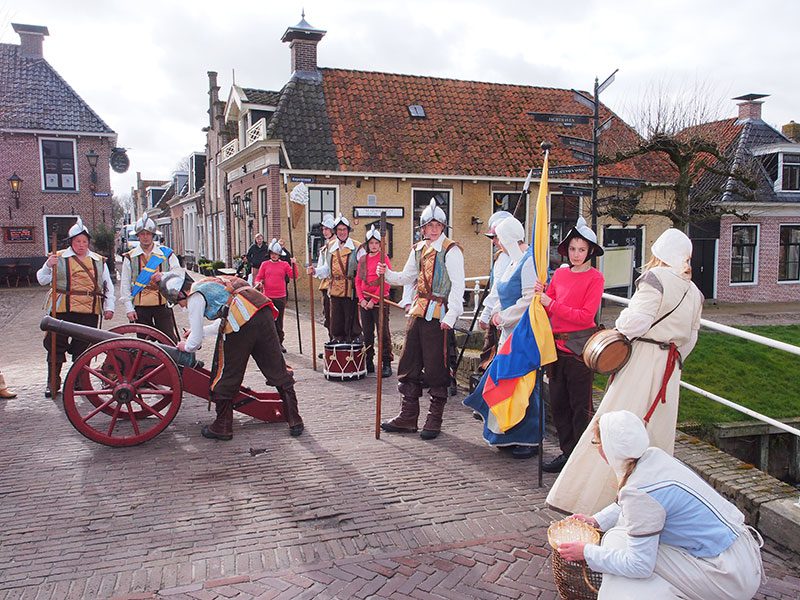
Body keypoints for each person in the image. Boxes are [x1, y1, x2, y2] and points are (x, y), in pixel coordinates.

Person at [547, 228, 704, 515]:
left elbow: (634, 322)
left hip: (643, 361)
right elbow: (690, 339)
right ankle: (649, 502)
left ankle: (592, 498)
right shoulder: (694, 292)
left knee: (616, 425)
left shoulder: (655, 279)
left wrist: (621, 330)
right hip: (670, 369)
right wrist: (671, 355)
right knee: (655, 432)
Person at [557, 410, 763, 599]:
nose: (598, 448)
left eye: (597, 442)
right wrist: (596, 521)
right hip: (740, 558)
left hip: (728, 576)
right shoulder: (653, 458)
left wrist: (587, 552)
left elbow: (640, 564)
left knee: (617, 542)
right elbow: (633, 506)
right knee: (620, 538)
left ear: (609, 449)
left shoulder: (638, 492)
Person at [163, 272, 304, 440]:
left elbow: (194, 343)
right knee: (276, 366)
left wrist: (185, 346)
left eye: (178, 302)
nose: (181, 307)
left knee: (225, 371)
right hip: (260, 312)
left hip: (242, 323)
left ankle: (222, 426)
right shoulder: (211, 283)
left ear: (180, 293)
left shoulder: (194, 296)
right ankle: (294, 419)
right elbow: (225, 319)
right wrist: (197, 333)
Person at [377, 199, 465, 440]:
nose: (434, 229)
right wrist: (387, 274)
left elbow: (458, 286)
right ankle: (408, 416)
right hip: (418, 310)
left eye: (438, 225)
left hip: (439, 314)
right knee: (409, 362)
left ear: (443, 227)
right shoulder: (417, 249)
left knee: (436, 367)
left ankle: (434, 418)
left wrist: (452, 314)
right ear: (423, 228)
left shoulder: (451, 250)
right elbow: (407, 277)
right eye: (430, 225)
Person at [464, 216, 541, 459]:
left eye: (499, 238)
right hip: (508, 333)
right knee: (507, 384)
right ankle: (507, 434)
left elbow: (529, 301)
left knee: (524, 386)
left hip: (524, 333)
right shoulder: (510, 261)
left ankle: (529, 439)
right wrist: (494, 313)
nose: (496, 243)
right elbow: (501, 292)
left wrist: (503, 317)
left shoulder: (529, 263)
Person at [536, 217, 605, 473]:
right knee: (558, 403)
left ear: (589, 252)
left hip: (578, 350)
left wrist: (550, 303)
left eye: (582, 249)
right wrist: (541, 294)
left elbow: (585, 316)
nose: (577, 254)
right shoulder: (561, 273)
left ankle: (582, 456)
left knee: (581, 407)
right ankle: (567, 453)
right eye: (573, 249)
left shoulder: (595, 279)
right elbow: (547, 302)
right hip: (555, 350)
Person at [37, 217, 115, 398]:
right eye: (77, 241)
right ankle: (53, 382)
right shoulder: (58, 257)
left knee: (83, 348)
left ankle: (79, 382)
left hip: (89, 310)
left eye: (84, 241)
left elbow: (107, 286)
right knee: (56, 346)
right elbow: (42, 280)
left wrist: (109, 307)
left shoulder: (98, 260)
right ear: (71, 242)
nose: (81, 245)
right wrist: (49, 266)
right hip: (62, 309)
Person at [119, 213, 183, 342]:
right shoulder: (130, 257)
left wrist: (163, 275)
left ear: (153, 235)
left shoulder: (166, 254)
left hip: (162, 303)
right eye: (142, 234)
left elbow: (179, 273)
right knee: (144, 342)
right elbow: (125, 284)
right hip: (140, 306)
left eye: (148, 234)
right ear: (138, 236)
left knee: (168, 339)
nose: (145, 237)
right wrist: (129, 309)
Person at [308, 214, 363, 343]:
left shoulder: (357, 247)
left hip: (351, 291)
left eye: (344, 230)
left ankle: (352, 344)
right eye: (339, 230)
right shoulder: (330, 247)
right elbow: (327, 268)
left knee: (351, 320)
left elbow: (363, 269)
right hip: (334, 290)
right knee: (336, 320)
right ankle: (337, 343)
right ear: (336, 231)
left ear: (348, 231)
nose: (342, 232)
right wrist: (315, 270)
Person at [355, 225, 393, 377]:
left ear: (380, 244)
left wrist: (375, 299)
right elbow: (358, 281)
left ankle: (386, 362)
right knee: (367, 333)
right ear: (367, 244)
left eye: (376, 243)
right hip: (365, 300)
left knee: (383, 331)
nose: (374, 246)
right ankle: (369, 360)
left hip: (380, 300)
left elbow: (387, 281)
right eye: (371, 243)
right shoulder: (363, 259)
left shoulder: (384, 258)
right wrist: (362, 299)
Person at [477, 211, 513, 371]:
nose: (495, 242)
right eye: (493, 238)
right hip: (505, 315)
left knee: (490, 358)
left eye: (496, 237)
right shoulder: (509, 256)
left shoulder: (505, 258)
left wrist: (485, 315)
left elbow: (498, 289)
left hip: (501, 316)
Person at [253, 238, 298, 352]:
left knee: (279, 321)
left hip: (280, 296)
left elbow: (293, 275)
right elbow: (259, 277)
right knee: (268, 320)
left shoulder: (284, 265)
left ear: (279, 255)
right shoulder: (264, 264)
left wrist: (294, 264)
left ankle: (279, 342)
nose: (274, 256)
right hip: (268, 296)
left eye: (276, 254)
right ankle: (267, 343)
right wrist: (257, 282)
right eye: (272, 254)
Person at [310, 214, 336, 342]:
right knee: (328, 316)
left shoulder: (336, 246)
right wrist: (315, 270)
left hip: (337, 287)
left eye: (327, 229)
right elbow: (322, 269)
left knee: (335, 316)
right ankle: (331, 340)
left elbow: (327, 269)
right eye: (323, 229)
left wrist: (317, 270)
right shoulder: (324, 248)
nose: (324, 231)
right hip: (326, 287)